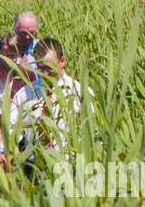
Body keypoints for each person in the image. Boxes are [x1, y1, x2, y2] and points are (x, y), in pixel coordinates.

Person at [10, 37, 91, 167]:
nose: (44, 74)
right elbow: (10, 129)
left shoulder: (79, 93)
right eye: (39, 68)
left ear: (62, 61)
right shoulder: (26, 94)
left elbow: (93, 136)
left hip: (69, 167)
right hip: (33, 168)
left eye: (49, 68)